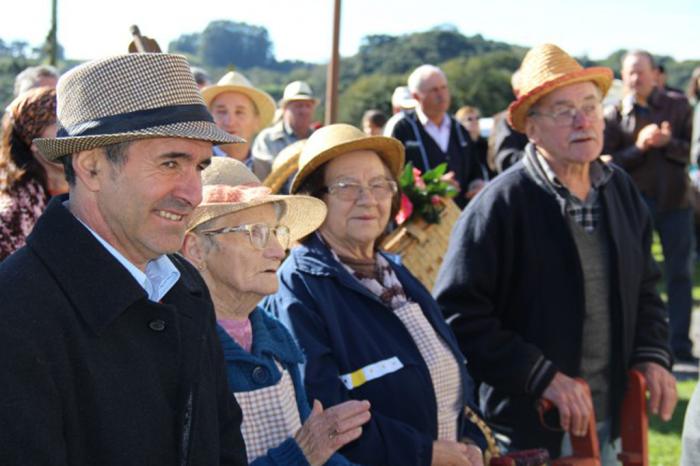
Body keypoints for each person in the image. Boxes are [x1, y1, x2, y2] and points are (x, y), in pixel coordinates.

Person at [0, 53, 247, 465]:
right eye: (170, 162)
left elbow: (223, 441)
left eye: (200, 166)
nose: (194, 193)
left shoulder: (185, 284)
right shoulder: (16, 311)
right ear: (92, 167)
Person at [434, 44, 677, 462]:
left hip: (612, 419)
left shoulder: (619, 189)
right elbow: (457, 317)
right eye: (563, 110)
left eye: (589, 105)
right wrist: (541, 377)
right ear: (531, 128)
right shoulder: (499, 206)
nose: (582, 120)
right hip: (530, 430)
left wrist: (652, 354)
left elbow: (646, 287)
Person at [263, 123, 483, 466]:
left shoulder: (395, 272)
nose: (368, 199)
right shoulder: (299, 287)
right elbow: (324, 412)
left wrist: (471, 438)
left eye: (379, 185)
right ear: (315, 200)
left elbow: (449, 370)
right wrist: (425, 454)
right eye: (346, 186)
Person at [182, 156, 370, 465]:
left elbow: (314, 445)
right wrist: (301, 454)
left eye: (277, 232)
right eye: (255, 232)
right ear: (196, 249)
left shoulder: (273, 333)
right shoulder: (179, 351)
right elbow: (308, 450)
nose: (277, 250)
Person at [603, 49, 695, 364]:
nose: (635, 78)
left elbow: (692, 154)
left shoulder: (678, 104)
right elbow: (608, 163)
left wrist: (668, 143)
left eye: (641, 71)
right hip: (633, 207)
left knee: (679, 274)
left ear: (655, 74)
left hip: (675, 202)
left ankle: (680, 345)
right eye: (630, 72)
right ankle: (635, 346)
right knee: (632, 275)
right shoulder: (614, 113)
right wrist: (639, 147)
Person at [390, 64, 484, 208]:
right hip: (422, 222)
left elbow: (475, 169)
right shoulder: (403, 129)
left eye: (444, 87)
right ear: (416, 96)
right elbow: (393, 178)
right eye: (434, 90)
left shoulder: (459, 129)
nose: (442, 95)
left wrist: (477, 183)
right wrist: (431, 186)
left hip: (460, 219)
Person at [0, 86, 65, 261]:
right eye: (60, 124)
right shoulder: (13, 217)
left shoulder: (94, 190)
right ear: (34, 142)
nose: (73, 133)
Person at [201, 71, 276, 168]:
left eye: (239, 112)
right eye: (221, 112)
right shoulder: (194, 167)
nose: (230, 122)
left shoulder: (270, 171)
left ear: (256, 121)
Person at [252, 80, 318, 180]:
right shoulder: (267, 139)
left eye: (308, 106)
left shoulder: (319, 140)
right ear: (285, 108)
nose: (304, 111)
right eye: (298, 105)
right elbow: (262, 180)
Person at [455, 105, 492, 179]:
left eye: (477, 118)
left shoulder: (486, 145)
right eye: (469, 119)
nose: (475, 121)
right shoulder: (457, 147)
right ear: (460, 123)